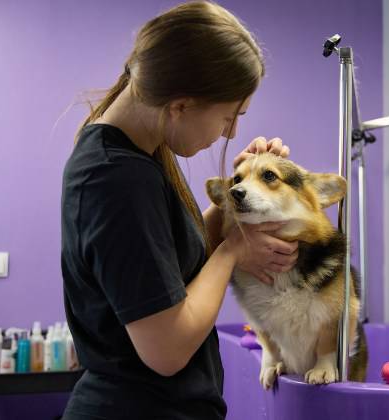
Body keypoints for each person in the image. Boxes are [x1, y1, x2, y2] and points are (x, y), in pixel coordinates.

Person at [60, 2, 297, 419]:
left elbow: (167, 263)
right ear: (180, 106)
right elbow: (165, 350)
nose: (230, 132)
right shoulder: (117, 177)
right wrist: (233, 252)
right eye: (229, 116)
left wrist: (238, 196)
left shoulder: (135, 156)